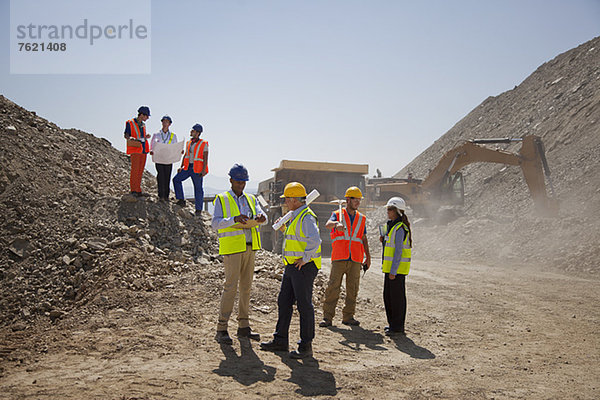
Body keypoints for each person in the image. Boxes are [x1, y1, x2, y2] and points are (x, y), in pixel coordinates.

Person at [260, 182, 321, 359]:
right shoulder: (296, 215)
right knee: (284, 302)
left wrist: (306, 258)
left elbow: (315, 240)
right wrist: (284, 228)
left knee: (304, 305)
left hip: (303, 267)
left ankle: (306, 346)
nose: (285, 202)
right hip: (292, 266)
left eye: (287, 199)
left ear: (294, 199)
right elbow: (296, 238)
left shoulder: (306, 217)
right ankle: (280, 340)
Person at [212, 164, 267, 345]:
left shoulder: (251, 198)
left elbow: (261, 215)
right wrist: (233, 219)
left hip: (250, 247)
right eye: (238, 181)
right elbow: (215, 223)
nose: (241, 185)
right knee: (230, 288)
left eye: (244, 182)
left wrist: (261, 219)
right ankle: (222, 328)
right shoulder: (222, 198)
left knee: (246, 288)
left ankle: (244, 326)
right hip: (233, 249)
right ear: (231, 181)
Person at [320, 186, 371, 328]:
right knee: (333, 287)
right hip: (339, 257)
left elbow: (363, 238)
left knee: (353, 289)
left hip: (355, 258)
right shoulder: (337, 214)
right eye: (356, 200)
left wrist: (368, 256)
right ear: (348, 200)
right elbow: (328, 225)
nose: (358, 203)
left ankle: (348, 316)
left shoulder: (361, 219)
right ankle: (327, 317)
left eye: (360, 200)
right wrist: (337, 225)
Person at [380, 197, 413, 336]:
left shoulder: (400, 228)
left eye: (390, 209)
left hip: (396, 271)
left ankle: (397, 326)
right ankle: (392, 324)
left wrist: (393, 271)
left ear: (397, 211)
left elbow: (398, 251)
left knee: (397, 299)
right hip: (390, 270)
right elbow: (391, 247)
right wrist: (383, 241)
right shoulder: (392, 226)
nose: (388, 212)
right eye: (387, 209)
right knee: (388, 297)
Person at [172, 124, 208, 215]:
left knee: (198, 189)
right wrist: (181, 166)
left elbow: (205, 157)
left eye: (193, 131)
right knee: (176, 179)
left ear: (198, 133)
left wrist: (204, 170)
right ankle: (181, 200)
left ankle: (198, 210)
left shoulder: (204, 143)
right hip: (187, 168)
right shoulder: (188, 143)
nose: (191, 132)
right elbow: (186, 155)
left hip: (197, 169)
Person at [124, 106, 151, 196]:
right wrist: (130, 138)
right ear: (142, 115)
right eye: (146, 116)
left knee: (140, 170)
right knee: (135, 170)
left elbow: (141, 135)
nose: (147, 118)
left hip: (143, 149)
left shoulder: (143, 125)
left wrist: (145, 136)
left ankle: (138, 189)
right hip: (135, 149)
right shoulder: (130, 123)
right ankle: (133, 190)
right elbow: (126, 134)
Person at [150, 115, 178, 201]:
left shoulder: (173, 136)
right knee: (160, 176)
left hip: (168, 159)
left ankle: (166, 196)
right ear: (161, 123)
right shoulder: (156, 135)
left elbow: (175, 147)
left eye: (167, 122)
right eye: (164, 121)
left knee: (167, 176)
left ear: (170, 124)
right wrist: (151, 151)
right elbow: (151, 145)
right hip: (159, 158)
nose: (165, 123)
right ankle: (160, 195)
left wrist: (179, 152)